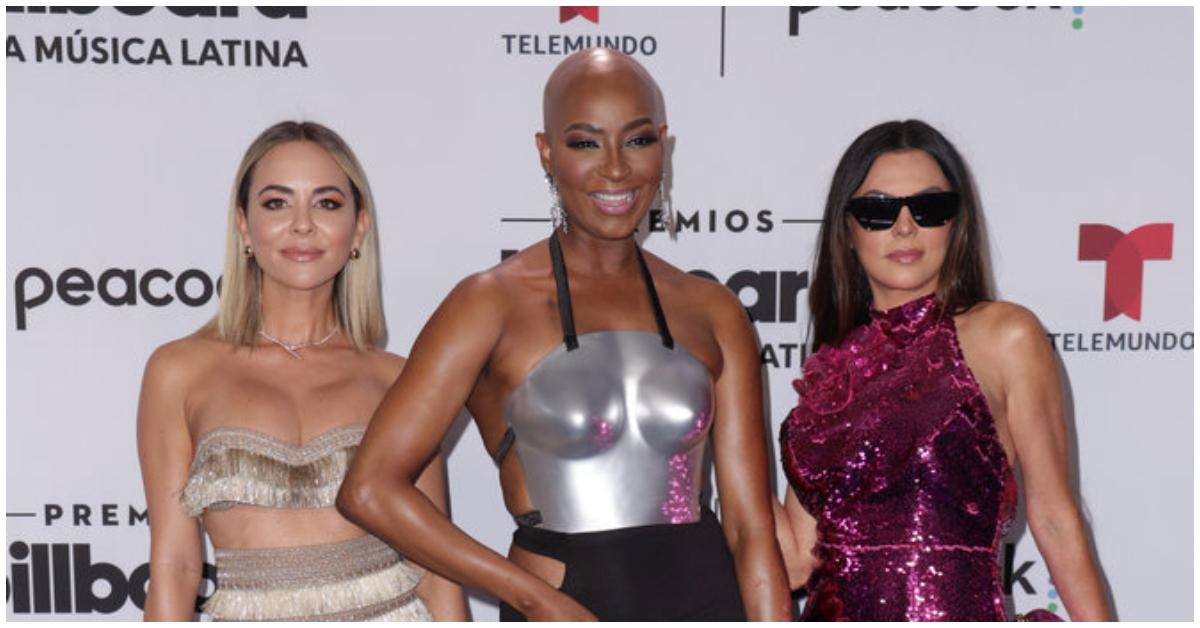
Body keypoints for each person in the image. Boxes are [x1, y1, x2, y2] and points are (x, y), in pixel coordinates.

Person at [337, 48, 791, 621]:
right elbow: (370, 490)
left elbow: (752, 530)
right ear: (546, 152)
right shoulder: (489, 303)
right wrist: (533, 598)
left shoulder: (715, 310)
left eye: (638, 139)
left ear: (664, 145)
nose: (616, 169)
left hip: (704, 601)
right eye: (584, 143)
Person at [774, 119, 1110, 621]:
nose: (905, 227)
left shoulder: (1005, 335)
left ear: (957, 223)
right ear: (846, 230)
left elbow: (1056, 519)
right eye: (878, 211)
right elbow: (798, 558)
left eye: (929, 209)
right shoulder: (830, 373)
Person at [136, 121, 466, 621]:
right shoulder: (178, 372)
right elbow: (176, 566)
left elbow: (435, 566)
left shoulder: (398, 379)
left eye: (327, 203)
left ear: (358, 228)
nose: (303, 224)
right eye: (277, 203)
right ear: (244, 226)